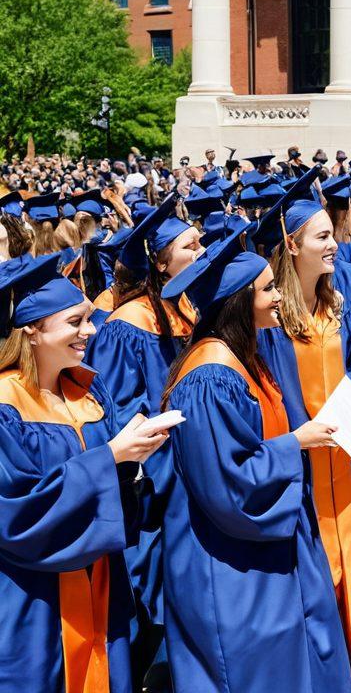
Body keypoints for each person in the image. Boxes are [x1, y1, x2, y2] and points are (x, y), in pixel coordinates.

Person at [159, 230, 351, 692]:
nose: (280, 296)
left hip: (265, 539)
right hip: (228, 558)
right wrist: (294, 444)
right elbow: (227, 482)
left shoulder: (246, 358)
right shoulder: (209, 378)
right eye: (268, 289)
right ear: (237, 304)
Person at [0, 253, 170, 693]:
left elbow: (115, 480)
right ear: (33, 330)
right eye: (76, 322)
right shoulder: (6, 406)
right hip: (35, 594)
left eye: (90, 319)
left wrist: (137, 449)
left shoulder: (89, 390)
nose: (90, 331)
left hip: (101, 579)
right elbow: (16, 511)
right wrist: (110, 456)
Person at [253, 169, 351, 687]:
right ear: (291, 243)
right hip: (301, 469)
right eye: (323, 237)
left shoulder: (337, 302)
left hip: (342, 459)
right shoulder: (272, 319)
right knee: (316, 572)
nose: (336, 244)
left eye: (334, 234)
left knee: (350, 561)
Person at [85, 194, 202, 691]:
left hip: (191, 473)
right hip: (155, 484)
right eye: (190, 246)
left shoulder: (184, 310)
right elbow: (117, 408)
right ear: (160, 261)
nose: (201, 251)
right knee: (148, 596)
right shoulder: (127, 326)